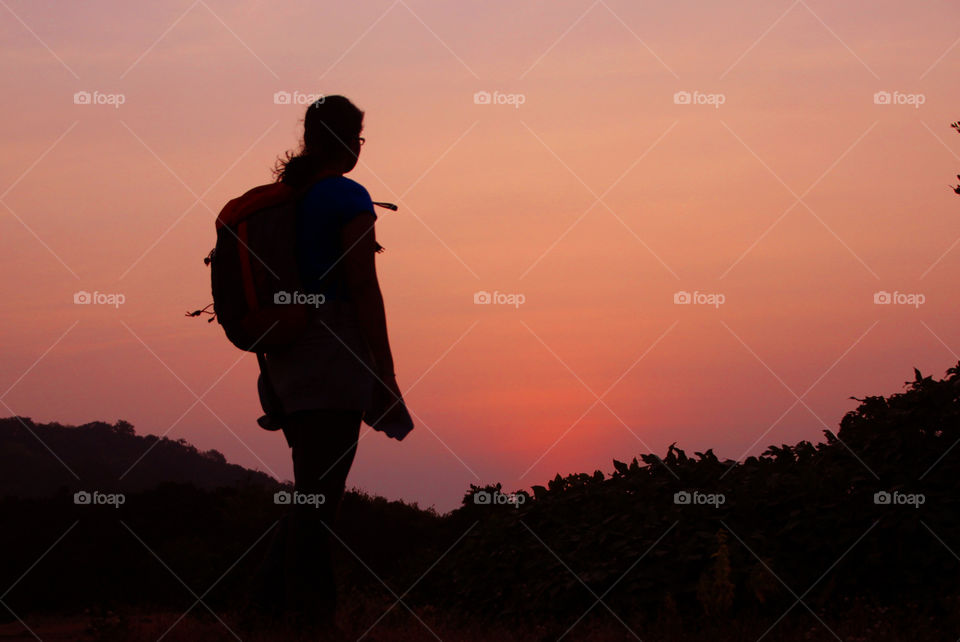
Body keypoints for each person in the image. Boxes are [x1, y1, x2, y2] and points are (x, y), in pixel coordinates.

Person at [247, 95, 413, 632]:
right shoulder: (346, 195)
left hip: (284, 361)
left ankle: (267, 613)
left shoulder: (283, 200)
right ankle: (311, 620)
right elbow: (363, 285)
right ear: (345, 142)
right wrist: (383, 369)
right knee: (322, 496)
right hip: (331, 354)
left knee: (311, 488)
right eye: (358, 140)